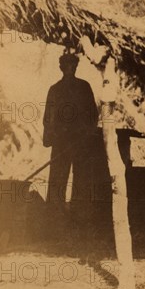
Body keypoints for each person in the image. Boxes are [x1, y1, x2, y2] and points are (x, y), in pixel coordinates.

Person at [43, 52, 98, 213]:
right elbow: (48, 117)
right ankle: (54, 215)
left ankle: (80, 215)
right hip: (61, 142)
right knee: (58, 178)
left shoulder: (84, 87)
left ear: (76, 67)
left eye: (72, 66)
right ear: (61, 68)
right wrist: (51, 137)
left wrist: (87, 132)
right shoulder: (54, 90)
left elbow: (93, 113)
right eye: (66, 66)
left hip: (81, 142)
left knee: (82, 178)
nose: (69, 69)